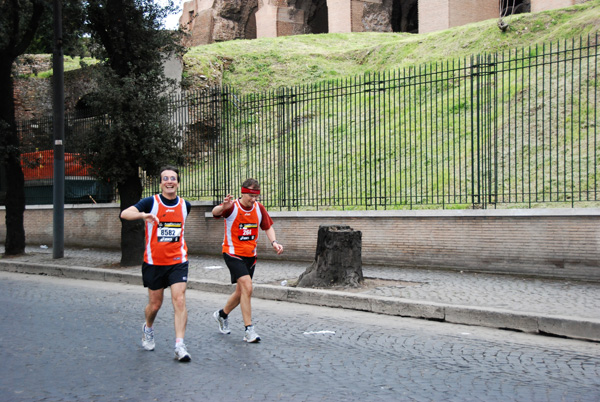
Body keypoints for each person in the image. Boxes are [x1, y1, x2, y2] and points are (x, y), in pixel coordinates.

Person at [120, 166, 192, 362]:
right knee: (155, 304)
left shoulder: (186, 205)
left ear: (178, 182)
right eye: (165, 178)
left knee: (179, 300)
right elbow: (125, 214)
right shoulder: (151, 202)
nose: (170, 181)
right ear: (160, 183)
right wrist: (144, 215)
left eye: (173, 178)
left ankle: (179, 345)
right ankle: (148, 328)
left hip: (178, 260)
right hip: (154, 263)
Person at [211, 178, 284, 343]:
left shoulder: (258, 208)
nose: (253, 199)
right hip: (232, 253)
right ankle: (249, 330)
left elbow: (267, 226)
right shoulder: (232, 207)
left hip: (250, 255)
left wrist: (274, 242)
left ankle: (222, 315)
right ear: (243, 192)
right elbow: (215, 212)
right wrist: (223, 206)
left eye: (256, 196)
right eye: (250, 195)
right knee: (248, 287)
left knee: (241, 292)